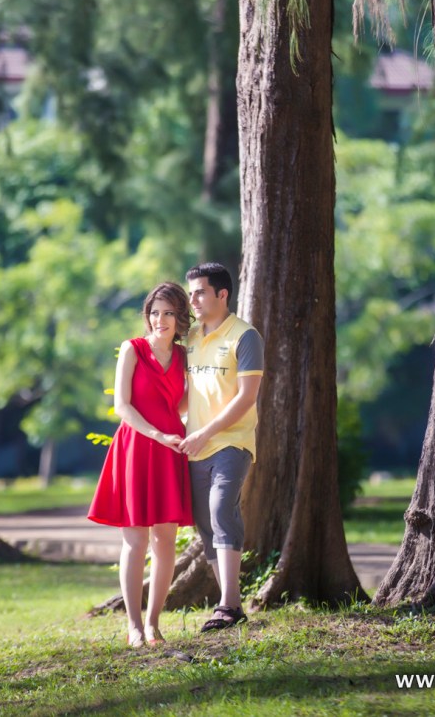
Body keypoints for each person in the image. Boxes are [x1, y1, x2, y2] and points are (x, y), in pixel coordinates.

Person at [88, 282, 193, 648]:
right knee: (135, 541)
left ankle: (153, 624)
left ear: (180, 317)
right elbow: (122, 406)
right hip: (136, 446)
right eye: (154, 313)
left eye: (168, 313)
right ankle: (133, 626)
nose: (160, 320)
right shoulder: (132, 349)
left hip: (170, 449)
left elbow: (181, 404)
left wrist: (176, 430)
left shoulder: (184, 356)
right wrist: (157, 434)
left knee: (165, 541)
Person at [179, 262, 264, 632]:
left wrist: (206, 431)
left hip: (231, 442)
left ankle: (228, 604)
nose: (193, 300)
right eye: (191, 293)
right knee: (206, 525)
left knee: (220, 510)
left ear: (222, 294)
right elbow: (186, 394)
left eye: (200, 292)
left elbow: (246, 397)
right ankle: (231, 606)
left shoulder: (245, 337)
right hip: (194, 446)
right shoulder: (191, 338)